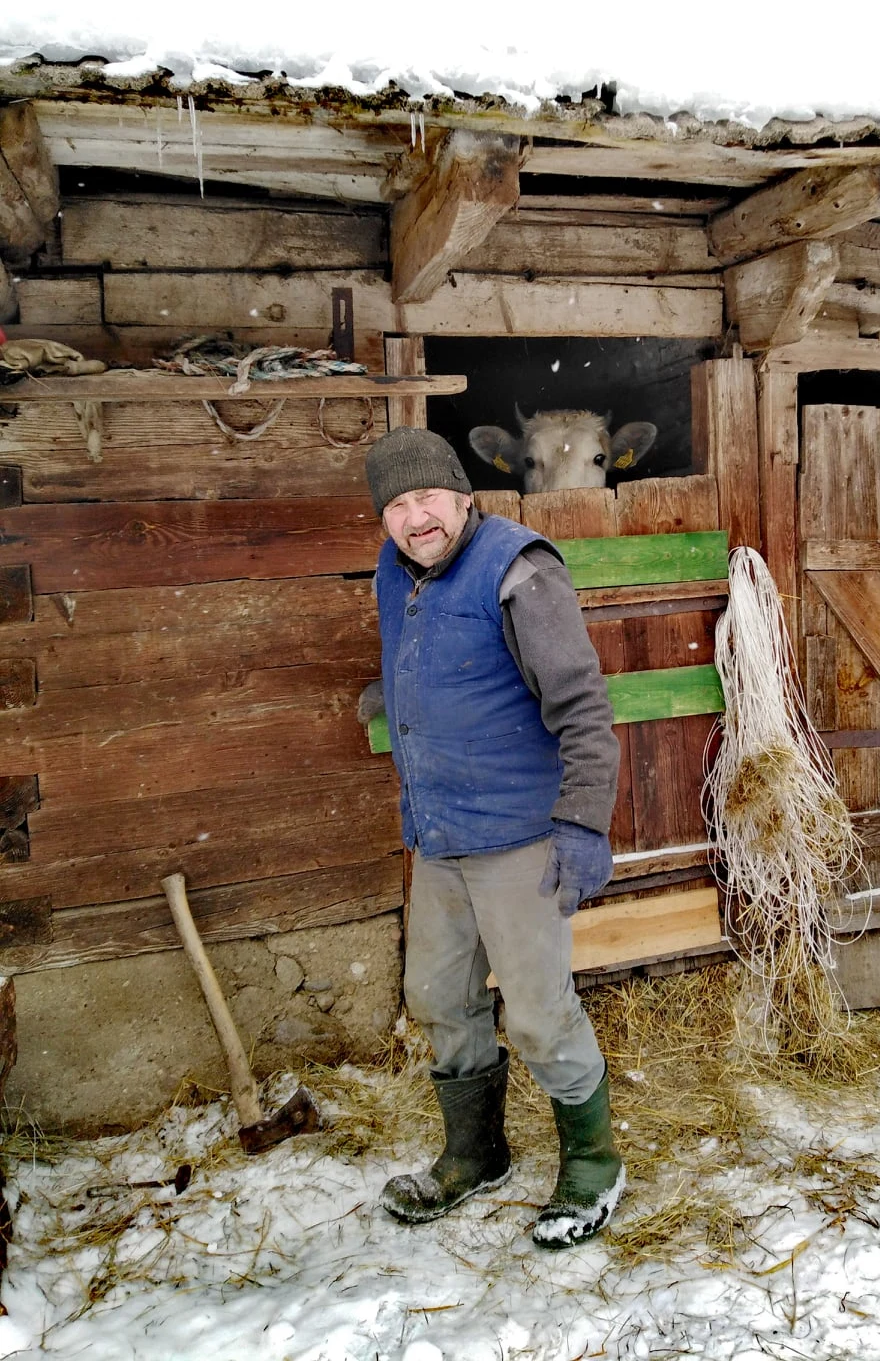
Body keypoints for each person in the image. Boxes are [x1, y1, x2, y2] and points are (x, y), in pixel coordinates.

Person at [360, 426, 624, 1249]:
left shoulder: (520, 571)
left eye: (428, 498)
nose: (415, 518)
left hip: (518, 839)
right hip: (438, 835)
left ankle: (594, 1164)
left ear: (465, 496)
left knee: (541, 1015)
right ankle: (476, 1155)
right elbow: (429, 647)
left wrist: (582, 824)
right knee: (440, 999)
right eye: (397, 506)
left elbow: (582, 707)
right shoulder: (394, 571)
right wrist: (397, 695)